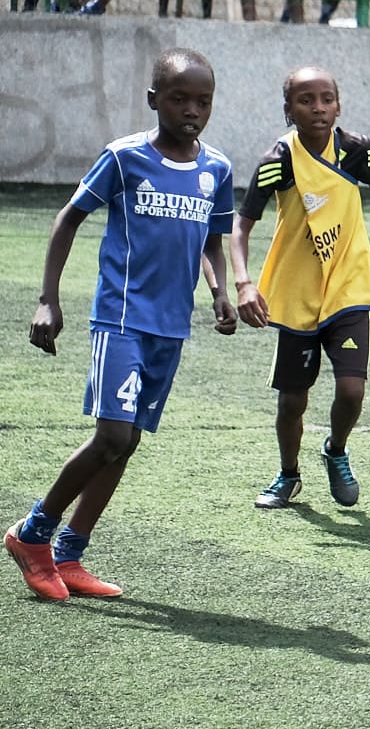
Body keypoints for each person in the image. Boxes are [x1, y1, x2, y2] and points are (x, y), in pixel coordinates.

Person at [7, 49, 237, 603]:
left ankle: (70, 554)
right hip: (121, 318)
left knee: (127, 442)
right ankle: (31, 535)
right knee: (111, 434)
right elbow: (69, 219)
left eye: (202, 101)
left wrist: (219, 290)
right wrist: (48, 300)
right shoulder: (124, 157)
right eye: (178, 99)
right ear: (154, 99)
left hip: (170, 327)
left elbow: (212, 239)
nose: (191, 110)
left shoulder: (217, 169)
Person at [229, 67, 370, 511]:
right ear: (288, 109)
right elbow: (242, 225)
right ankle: (288, 475)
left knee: (351, 391)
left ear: (338, 106)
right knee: (292, 403)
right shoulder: (278, 160)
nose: (318, 108)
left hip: (349, 287)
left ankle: (335, 450)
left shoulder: (355, 150)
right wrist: (244, 283)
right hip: (298, 296)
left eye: (326, 99)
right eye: (306, 100)